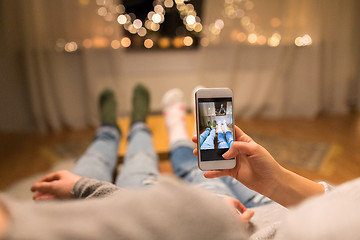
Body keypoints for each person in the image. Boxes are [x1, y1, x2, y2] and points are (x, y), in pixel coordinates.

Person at [0, 85, 359, 239]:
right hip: (275, 203)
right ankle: (144, 127)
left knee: (152, 169)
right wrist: (276, 180)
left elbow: (169, 221)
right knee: (217, 165)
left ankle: (121, 127)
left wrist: (84, 187)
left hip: (231, 223)